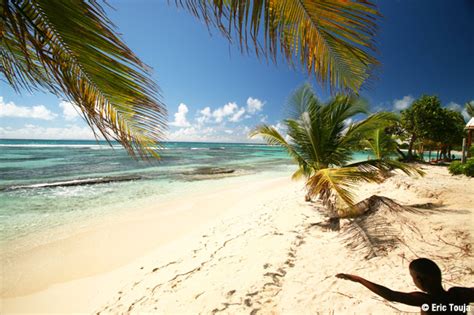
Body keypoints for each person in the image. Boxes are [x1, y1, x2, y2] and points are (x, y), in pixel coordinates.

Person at [336, 258, 474, 314]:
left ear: (419, 280)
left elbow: (390, 295)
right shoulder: (459, 294)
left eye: (412, 277)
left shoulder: (427, 301)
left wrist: (359, 279)